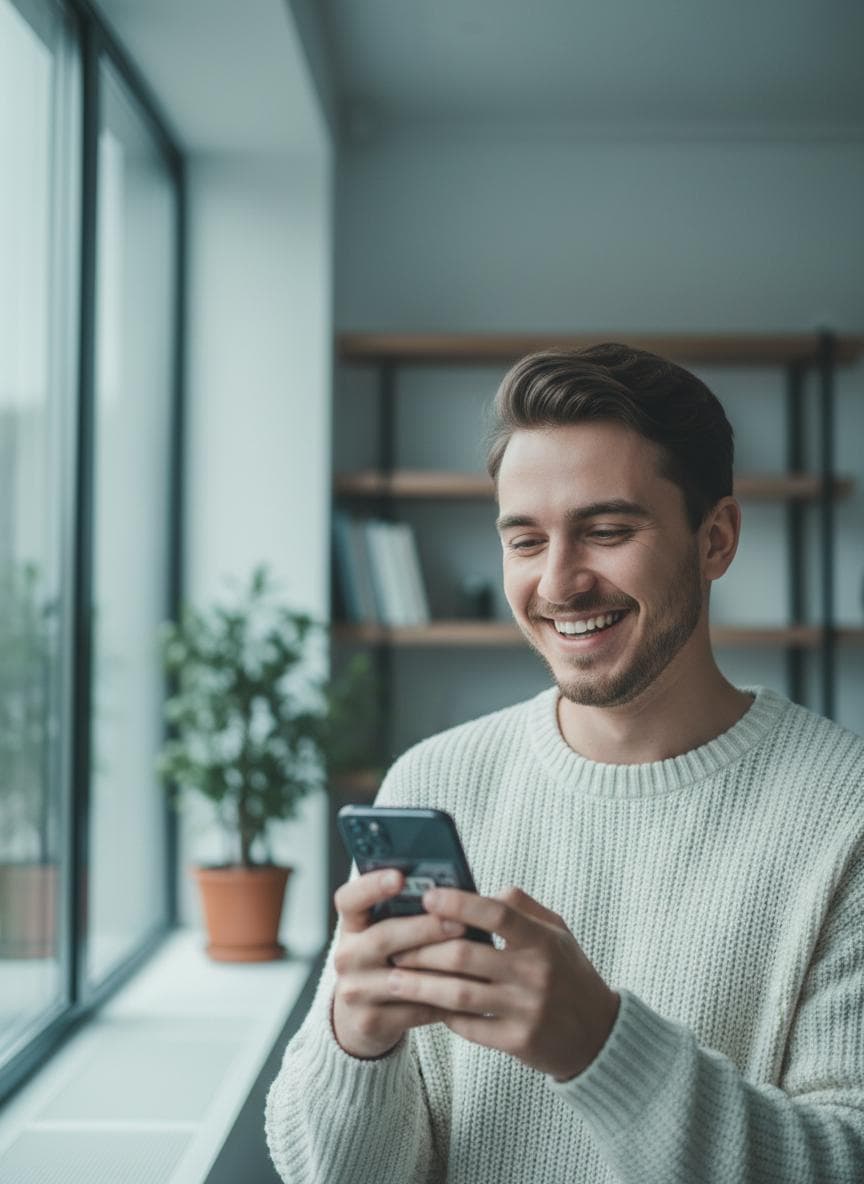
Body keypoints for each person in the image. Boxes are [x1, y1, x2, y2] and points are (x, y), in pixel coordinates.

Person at [265, 343, 864, 1183]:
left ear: (716, 539)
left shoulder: (846, 812)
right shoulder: (433, 783)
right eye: (525, 540)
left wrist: (602, 1048)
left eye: (606, 531)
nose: (557, 584)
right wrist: (356, 1043)